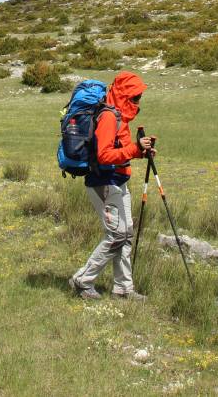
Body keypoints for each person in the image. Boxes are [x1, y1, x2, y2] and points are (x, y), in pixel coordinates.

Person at [69, 71, 155, 301]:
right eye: (135, 97)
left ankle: (123, 289)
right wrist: (136, 150)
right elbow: (105, 155)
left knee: (125, 234)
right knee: (117, 234)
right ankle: (82, 280)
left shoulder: (120, 117)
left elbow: (121, 151)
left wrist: (140, 152)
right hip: (104, 183)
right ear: (123, 94)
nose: (138, 102)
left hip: (117, 182)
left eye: (139, 98)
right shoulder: (108, 117)